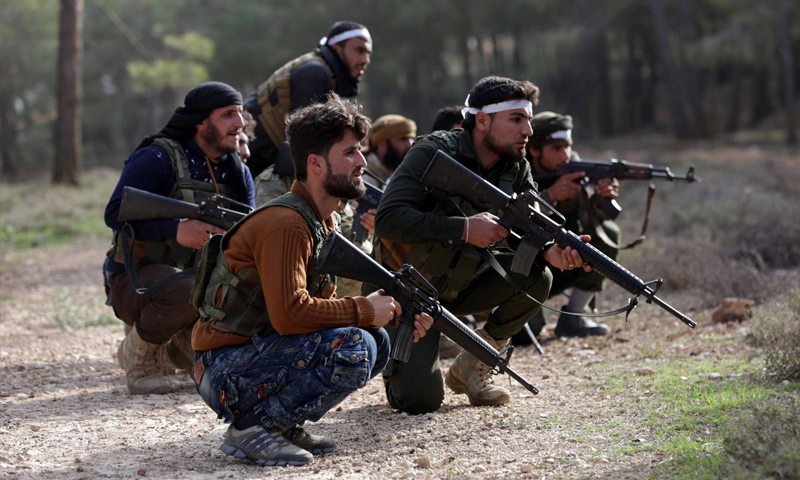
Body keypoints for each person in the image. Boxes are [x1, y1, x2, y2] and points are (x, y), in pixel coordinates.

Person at [191, 93, 433, 466]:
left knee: (378, 341)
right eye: (350, 153)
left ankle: (282, 426)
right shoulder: (287, 223)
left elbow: (321, 303)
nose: (362, 162)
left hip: (256, 353)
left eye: (360, 152)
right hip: (225, 367)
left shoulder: (322, 220)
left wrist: (391, 312)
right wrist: (365, 310)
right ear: (316, 163)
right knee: (354, 347)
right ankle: (255, 427)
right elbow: (291, 314)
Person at [369, 76, 591, 414]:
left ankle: (471, 368)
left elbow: (527, 228)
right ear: (483, 121)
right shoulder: (432, 152)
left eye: (529, 119)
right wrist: (464, 229)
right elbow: (388, 219)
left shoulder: (517, 168)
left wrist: (550, 252)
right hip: (408, 294)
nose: (528, 131)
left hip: (460, 284)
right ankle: (396, 366)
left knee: (538, 276)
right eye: (516, 119)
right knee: (420, 401)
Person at [104, 82, 255, 395]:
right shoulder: (159, 157)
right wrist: (174, 230)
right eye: (228, 115)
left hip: (200, 283)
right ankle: (141, 359)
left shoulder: (237, 171)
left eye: (239, 114)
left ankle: (172, 346)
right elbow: (115, 212)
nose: (239, 124)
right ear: (201, 122)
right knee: (186, 289)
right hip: (136, 281)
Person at [513, 111, 618, 341]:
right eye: (556, 148)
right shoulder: (517, 171)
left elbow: (593, 225)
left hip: (563, 263)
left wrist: (601, 199)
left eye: (568, 146)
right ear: (535, 150)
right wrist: (549, 197)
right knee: (524, 336)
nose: (566, 155)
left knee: (609, 233)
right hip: (523, 270)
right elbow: (512, 224)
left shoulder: (573, 168)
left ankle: (574, 317)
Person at [243, 21, 373, 177]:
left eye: (368, 53)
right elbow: (306, 140)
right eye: (359, 50)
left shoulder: (323, 71)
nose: (366, 60)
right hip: (253, 161)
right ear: (337, 49)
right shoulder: (314, 72)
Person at [361, 114, 416, 188]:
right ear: (382, 144)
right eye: (403, 139)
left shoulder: (396, 175)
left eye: (411, 139)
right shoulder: (364, 177)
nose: (410, 145)